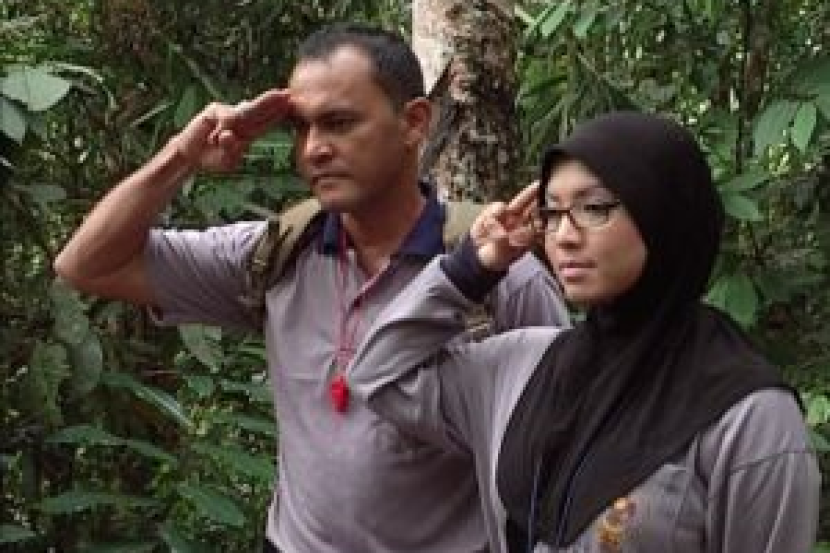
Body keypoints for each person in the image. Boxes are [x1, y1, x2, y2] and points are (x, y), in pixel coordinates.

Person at [53, 23, 570, 553]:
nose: (314, 149)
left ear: (415, 121)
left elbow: (564, 442)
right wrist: (182, 156)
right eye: (301, 128)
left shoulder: (497, 276)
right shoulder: (278, 254)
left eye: (339, 123)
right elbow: (84, 265)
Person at [348, 112, 821, 552]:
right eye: (552, 214)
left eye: (594, 208)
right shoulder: (523, 365)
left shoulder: (747, 414)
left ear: (663, 215)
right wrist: (471, 268)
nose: (564, 236)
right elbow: (378, 374)